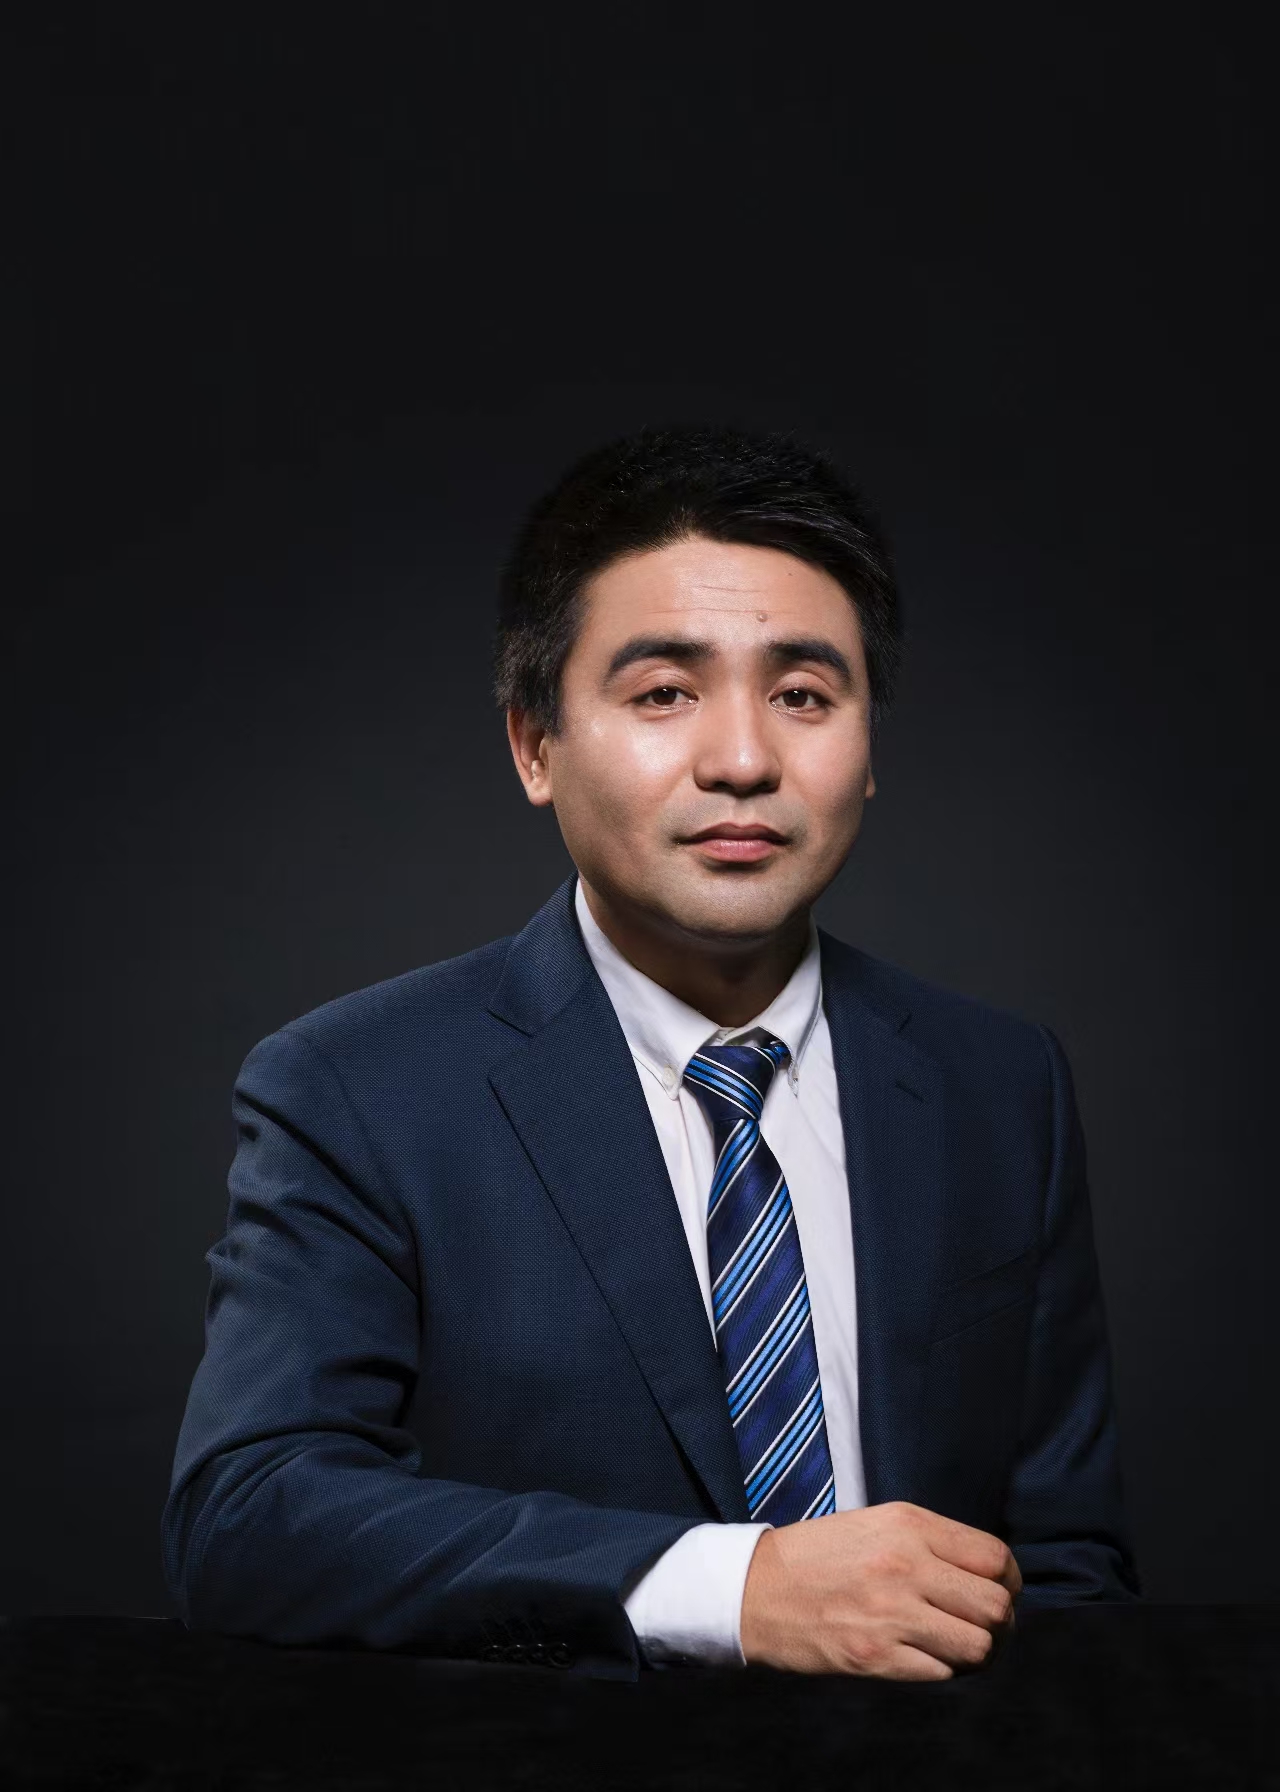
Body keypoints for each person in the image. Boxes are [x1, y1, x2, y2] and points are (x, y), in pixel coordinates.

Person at [162, 424, 1140, 1682]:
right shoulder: (354, 1088)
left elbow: (1066, 1566)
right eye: (663, 692)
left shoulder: (999, 1086)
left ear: (867, 748)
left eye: (802, 695)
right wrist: (731, 1588)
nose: (742, 761)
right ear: (533, 744)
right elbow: (247, 1517)